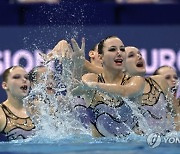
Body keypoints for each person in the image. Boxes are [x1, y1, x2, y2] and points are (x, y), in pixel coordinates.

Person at [71, 36, 145, 137]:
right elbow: (74, 91)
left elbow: (125, 92)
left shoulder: (136, 80)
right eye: (112, 49)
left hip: (131, 148)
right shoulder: (91, 78)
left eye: (122, 49)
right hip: (99, 148)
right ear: (101, 57)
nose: (119, 52)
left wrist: (95, 86)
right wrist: (78, 65)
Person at [0, 66, 35, 141]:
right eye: (16, 77)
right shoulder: (1, 114)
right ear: (5, 85)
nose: (24, 80)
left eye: (26, 77)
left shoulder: (37, 110)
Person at [153, 65, 180, 131]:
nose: (174, 80)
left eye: (175, 77)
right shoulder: (150, 110)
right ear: (155, 84)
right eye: (167, 78)